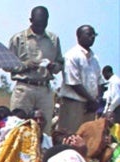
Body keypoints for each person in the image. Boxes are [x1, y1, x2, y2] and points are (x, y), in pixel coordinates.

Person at [8, 6, 64, 134]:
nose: (40, 27)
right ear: (31, 20)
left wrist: (53, 66)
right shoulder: (18, 39)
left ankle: (43, 153)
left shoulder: (53, 40)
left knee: (45, 129)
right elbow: (6, 65)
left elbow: (60, 64)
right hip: (24, 88)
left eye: (43, 24)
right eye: (38, 23)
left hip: (44, 89)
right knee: (17, 127)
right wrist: (25, 65)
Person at [58, 25, 102, 135]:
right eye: (88, 34)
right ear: (78, 36)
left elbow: (99, 81)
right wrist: (92, 100)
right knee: (70, 135)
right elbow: (73, 83)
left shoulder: (94, 58)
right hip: (73, 103)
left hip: (90, 105)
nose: (92, 37)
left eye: (94, 35)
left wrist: (96, 100)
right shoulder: (72, 55)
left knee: (87, 138)